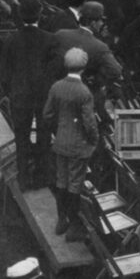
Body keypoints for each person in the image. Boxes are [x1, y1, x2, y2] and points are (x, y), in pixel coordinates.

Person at [41, 48, 100, 241]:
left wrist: (57, 132)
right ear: (83, 67)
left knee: (61, 181)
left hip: (61, 142)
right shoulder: (84, 92)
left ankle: (61, 220)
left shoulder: (56, 86)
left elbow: (47, 115)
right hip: (78, 146)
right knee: (75, 184)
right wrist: (94, 140)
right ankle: (74, 225)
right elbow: (89, 123)